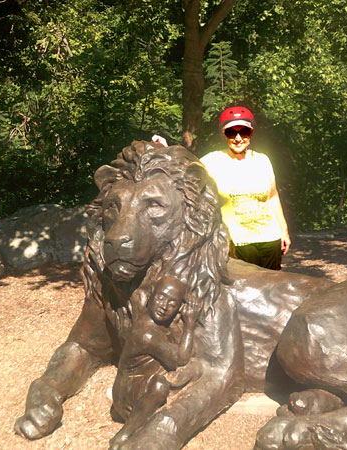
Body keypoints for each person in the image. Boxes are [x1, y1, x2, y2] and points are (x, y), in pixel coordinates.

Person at [109, 276, 200, 444]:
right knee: (161, 385)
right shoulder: (147, 334)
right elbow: (181, 358)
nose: (164, 307)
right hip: (128, 395)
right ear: (151, 295)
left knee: (193, 372)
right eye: (160, 297)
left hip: (134, 385)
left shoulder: (152, 320)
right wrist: (190, 324)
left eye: (172, 304)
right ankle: (124, 435)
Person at [199, 106, 290, 270]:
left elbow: (273, 196)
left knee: (272, 289)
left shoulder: (262, 160)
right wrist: (164, 148)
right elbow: (183, 168)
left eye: (244, 132)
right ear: (224, 135)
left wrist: (284, 230)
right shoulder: (212, 161)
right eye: (231, 133)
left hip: (270, 239)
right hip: (238, 242)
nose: (238, 138)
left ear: (251, 133)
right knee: (245, 291)